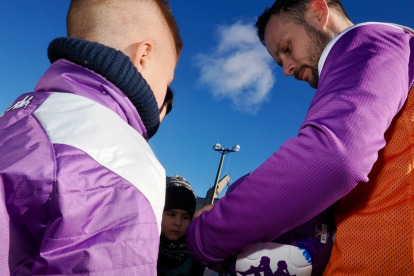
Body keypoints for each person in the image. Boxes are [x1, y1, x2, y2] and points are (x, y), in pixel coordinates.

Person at [186, 0, 414, 275]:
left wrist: (205, 237)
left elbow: (333, 157)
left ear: (318, 12)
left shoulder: (368, 41)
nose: (286, 69)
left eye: (287, 48)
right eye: (280, 61)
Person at [0, 0, 182, 275]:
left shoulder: (17, 117)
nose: (163, 97)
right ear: (144, 55)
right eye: (167, 80)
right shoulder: (122, 157)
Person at [157, 175, 205, 276]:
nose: (178, 223)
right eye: (171, 214)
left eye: (185, 217)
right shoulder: (143, 246)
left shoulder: (196, 254)